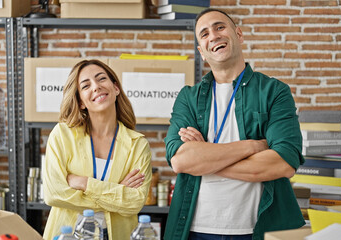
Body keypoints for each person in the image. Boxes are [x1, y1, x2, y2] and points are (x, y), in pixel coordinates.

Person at [164, 9, 305, 240]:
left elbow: (283, 163)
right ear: (201, 50)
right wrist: (253, 147)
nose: (214, 36)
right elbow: (180, 160)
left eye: (220, 27)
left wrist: (204, 160)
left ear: (238, 35)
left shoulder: (274, 92)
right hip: (195, 229)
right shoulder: (188, 97)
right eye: (205, 33)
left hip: (257, 229)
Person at [43, 59, 152, 240]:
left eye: (101, 79)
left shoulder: (138, 145)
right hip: (67, 235)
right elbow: (54, 194)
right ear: (81, 102)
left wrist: (85, 183)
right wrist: (116, 192)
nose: (96, 87)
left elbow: (134, 202)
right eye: (86, 86)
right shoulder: (62, 135)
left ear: (115, 88)